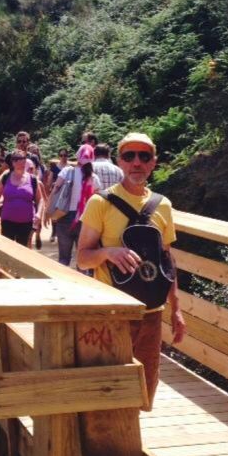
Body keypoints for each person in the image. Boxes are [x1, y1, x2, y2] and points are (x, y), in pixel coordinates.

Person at [77, 132, 187, 408]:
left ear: (153, 163)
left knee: (146, 383)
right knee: (109, 385)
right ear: (119, 162)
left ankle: (132, 435)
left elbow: (167, 260)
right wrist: (107, 253)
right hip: (113, 312)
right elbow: (82, 258)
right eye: (129, 156)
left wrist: (176, 308)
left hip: (151, 312)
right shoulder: (100, 203)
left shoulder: (163, 205)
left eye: (144, 156)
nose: (136, 162)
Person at [47, 144, 102, 267]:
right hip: (86, 220)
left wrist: (48, 211)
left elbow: (55, 189)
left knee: (64, 258)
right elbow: (98, 201)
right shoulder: (94, 178)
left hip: (64, 216)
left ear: (77, 156)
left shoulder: (67, 171)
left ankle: (62, 283)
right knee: (83, 260)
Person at [0, 149, 44, 246]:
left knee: (23, 251)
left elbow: (40, 200)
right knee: (7, 250)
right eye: (17, 160)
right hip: (7, 221)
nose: (21, 163)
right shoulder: (6, 177)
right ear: (13, 162)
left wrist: (39, 213)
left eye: (23, 160)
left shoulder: (32, 179)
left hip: (27, 223)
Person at [46, 148, 70, 242]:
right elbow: (49, 180)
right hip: (56, 192)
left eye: (65, 155)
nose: (63, 157)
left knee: (64, 213)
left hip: (66, 193)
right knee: (54, 212)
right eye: (61, 155)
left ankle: (62, 234)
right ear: (59, 156)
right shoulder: (55, 167)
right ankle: (53, 232)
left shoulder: (70, 168)